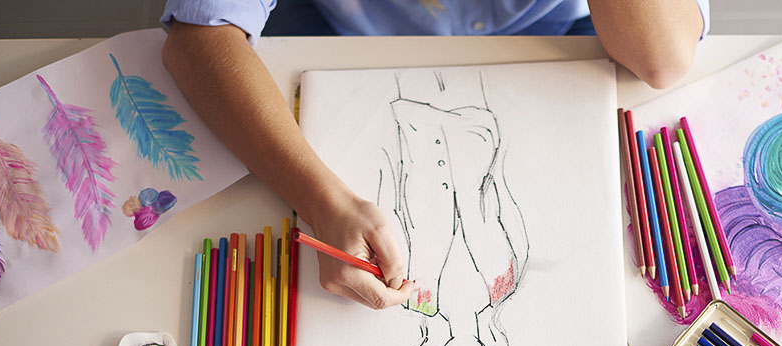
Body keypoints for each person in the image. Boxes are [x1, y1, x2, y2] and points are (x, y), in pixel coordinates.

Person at [160, 0, 708, 310]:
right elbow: (198, 37)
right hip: (345, 30)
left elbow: (662, 58)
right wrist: (322, 200)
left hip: (564, 33)